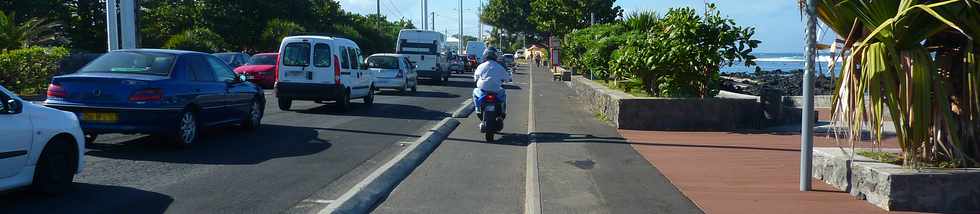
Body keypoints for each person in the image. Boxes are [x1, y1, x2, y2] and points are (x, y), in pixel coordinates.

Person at [473, 47, 511, 119]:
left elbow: (475, 77)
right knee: (503, 95)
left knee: (475, 92)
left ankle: (478, 108)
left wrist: (477, 79)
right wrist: (505, 80)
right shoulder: (499, 66)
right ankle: (503, 111)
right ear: (495, 56)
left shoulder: (481, 66)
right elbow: (507, 78)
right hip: (496, 90)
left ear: (485, 55)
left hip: (483, 91)